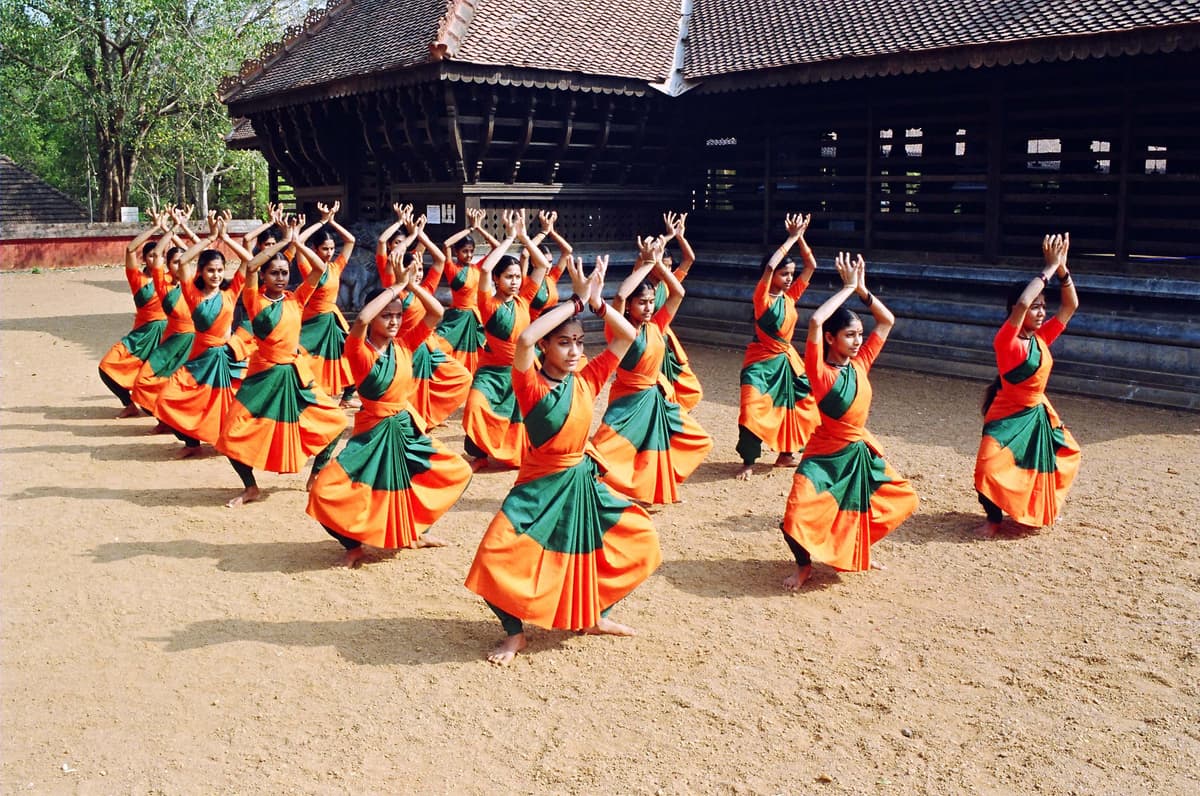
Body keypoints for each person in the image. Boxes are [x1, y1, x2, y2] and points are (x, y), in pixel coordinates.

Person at [464, 254, 662, 666]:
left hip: (581, 483)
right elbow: (521, 342)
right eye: (563, 342)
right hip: (537, 487)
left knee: (640, 541)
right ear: (547, 345)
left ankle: (594, 615)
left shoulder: (587, 377)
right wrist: (573, 302)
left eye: (579, 343)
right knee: (493, 557)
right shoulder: (529, 383)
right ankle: (514, 635)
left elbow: (624, 338)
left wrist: (598, 304)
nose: (574, 351)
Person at [306, 261, 472, 567]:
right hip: (372, 432)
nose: (394, 321)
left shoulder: (406, 345)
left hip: (405, 428)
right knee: (324, 491)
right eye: (388, 316)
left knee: (455, 472)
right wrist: (397, 286)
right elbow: (363, 318)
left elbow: (436, 313)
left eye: (398, 316)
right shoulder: (358, 348)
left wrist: (412, 286)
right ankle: (353, 546)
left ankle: (417, 532)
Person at [780, 253, 918, 589]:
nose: (858, 341)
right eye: (849, 335)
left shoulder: (860, 364)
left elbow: (886, 321)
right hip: (825, 455)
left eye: (859, 335)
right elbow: (814, 322)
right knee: (794, 517)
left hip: (857, 453)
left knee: (904, 498)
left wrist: (863, 290)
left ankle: (854, 547)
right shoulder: (820, 371)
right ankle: (803, 567)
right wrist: (846, 288)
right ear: (831, 338)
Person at [216, 218, 348, 508]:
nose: (280, 277)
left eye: (284, 272)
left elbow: (319, 269)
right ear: (263, 276)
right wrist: (282, 243)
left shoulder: (296, 299)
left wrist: (297, 241)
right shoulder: (254, 300)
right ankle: (250, 488)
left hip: (295, 376)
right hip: (262, 377)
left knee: (336, 422)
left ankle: (315, 475)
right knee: (230, 434)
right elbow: (250, 266)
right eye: (274, 273)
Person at [592, 235, 713, 506]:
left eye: (650, 302)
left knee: (698, 439)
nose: (647, 307)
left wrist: (659, 264)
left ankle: (648, 489)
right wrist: (647, 264)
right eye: (641, 303)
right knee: (602, 450)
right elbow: (622, 295)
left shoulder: (656, 325)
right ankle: (588, 491)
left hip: (655, 399)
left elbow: (678, 293)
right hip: (628, 400)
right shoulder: (619, 330)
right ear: (631, 307)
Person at [974, 234, 1080, 536]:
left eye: (1043, 306)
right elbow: (1022, 301)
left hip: (1038, 414)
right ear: (1016, 312)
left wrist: (1063, 269)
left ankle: (1040, 507)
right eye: (1036, 307)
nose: (1041, 311)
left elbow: (1070, 306)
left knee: (1065, 455)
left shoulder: (1041, 338)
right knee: (987, 469)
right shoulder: (1006, 340)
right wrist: (1048, 268)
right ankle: (993, 520)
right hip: (1007, 415)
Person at [735, 213, 821, 479]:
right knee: (751, 409)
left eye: (790, 275)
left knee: (800, 404)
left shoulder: (790, 297)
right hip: (760, 362)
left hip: (787, 361)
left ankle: (786, 453)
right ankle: (748, 461)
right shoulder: (762, 297)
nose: (788, 278)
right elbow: (770, 268)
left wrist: (801, 238)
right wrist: (790, 238)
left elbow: (811, 266)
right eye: (784, 274)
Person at [154, 211, 246, 457]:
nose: (216, 275)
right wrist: (210, 238)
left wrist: (225, 238)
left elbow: (248, 262)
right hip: (198, 358)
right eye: (210, 271)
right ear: (201, 273)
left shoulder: (230, 292)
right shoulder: (191, 294)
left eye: (219, 270)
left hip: (226, 356)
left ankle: (225, 441)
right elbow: (184, 262)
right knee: (167, 399)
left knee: (228, 403)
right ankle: (192, 444)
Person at [461, 210, 548, 470]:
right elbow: (486, 267)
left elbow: (542, 264)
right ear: (497, 280)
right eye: (508, 277)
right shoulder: (488, 304)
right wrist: (509, 239)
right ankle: (478, 455)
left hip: (521, 369)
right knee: (475, 405)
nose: (514, 281)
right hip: (491, 371)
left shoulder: (524, 300)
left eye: (517, 277)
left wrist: (524, 236)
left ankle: (524, 451)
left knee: (527, 412)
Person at [379, 209, 472, 428]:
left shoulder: (426, 289)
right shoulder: (395, 290)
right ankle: (415, 421)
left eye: (420, 269)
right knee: (409, 386)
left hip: (428, 345)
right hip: (405, 347)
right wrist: (409, 235)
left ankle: (428, 417)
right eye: (414, 269)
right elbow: (389, 251)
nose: (419, 273)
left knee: (462, 377)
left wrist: (420, 234)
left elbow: (439, 259)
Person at [98, 217, 169, 417]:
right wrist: (155, 227)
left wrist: (172, 228)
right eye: (152, 256)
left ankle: (162, 418)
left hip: (166, 335)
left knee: (156, 378)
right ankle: (128, 404)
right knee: (106, 367)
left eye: (160, 256)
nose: (157, 259)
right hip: (141, 334)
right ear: (145, 259)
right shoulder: (137, 278)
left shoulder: (171, 278)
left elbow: (184, 256)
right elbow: (130, 249)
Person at [130, 213, 197, 420]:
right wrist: (167, 228)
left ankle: (178, 427)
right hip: (170, 341)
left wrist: (182, 227)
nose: (180, 265)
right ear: (167, 266)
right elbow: (151, 253)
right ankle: (162, 418)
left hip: (194, 343)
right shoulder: (162, 284)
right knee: (145, 381)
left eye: (183, 261)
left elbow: (199, 248)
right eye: (175, 262)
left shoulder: (195, 284)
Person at [294, 201, 357, 406]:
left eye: (331, 248)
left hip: (333, 320)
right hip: (314, 320)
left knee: (351, 354)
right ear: (315, 249)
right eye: (324, 249)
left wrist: (332, 221)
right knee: (306, 357)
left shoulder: (335, 267)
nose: (329, 252)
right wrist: (321, 222)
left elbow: (350, 241)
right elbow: (298, 241)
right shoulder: (309, 269)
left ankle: (347, 396)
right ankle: (309, 393)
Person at [436, 208, 499, 373]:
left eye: (472, 251)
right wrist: (470, 228)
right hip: (457, 316)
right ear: (457, 252)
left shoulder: (478, 268)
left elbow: (497, 247)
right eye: (465, 251)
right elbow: (446, 244)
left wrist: (479, 228)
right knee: (442, 345)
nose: (469, 254)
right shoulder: (451, 269)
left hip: (476, 316)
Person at [656, 211, 703, 411]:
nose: (668, 270)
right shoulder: (643, 284)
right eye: (663, 266)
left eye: (670, 266)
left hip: (666, 340)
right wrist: (665, 238)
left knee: (687, 384)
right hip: (648, 339)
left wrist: (680, 236)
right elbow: (646, 260)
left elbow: (689, 259)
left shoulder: (670, 285)